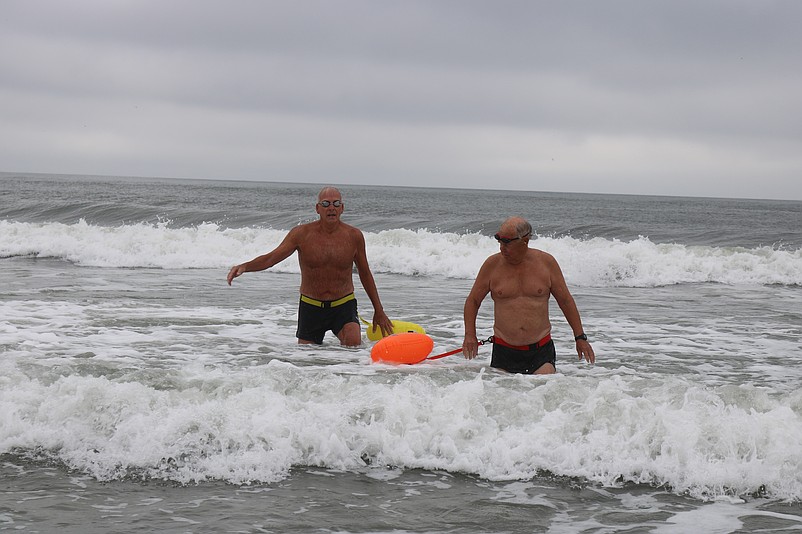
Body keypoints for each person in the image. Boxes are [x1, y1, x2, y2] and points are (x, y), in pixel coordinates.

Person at [227, 186, 393, 346]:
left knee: (353, 344)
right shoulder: (301, 234)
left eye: (336, 204)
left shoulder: (354, 236)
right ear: (317, 208)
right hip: (311, 306)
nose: (331, 208)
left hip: (343, 304)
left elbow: (365, 273)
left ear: (342, 208)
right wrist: (245, 266)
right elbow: (272, 258)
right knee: (308, 359)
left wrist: (378, 310)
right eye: (326, 204)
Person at [462, 216, 595, 374]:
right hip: (504, 351)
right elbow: (473, 301)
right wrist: (470, 335)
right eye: (499, 241)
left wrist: (580, 337)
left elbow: (565, 301)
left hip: (540, 351)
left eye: (506, 242)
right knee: (500, 395)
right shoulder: (492, 265)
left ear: (524, 241)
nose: (501, 248)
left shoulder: (546, 263)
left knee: (543, 391)